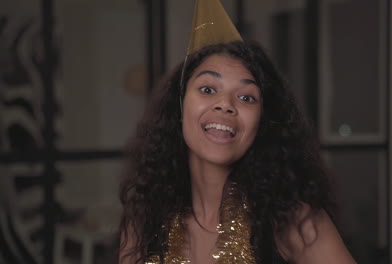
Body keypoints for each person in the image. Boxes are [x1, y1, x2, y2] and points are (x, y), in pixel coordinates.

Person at [119, 1, 356, 264]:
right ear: (180, 105)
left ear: (262, 121)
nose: (226, 105)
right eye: (208, 89)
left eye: (246, 97)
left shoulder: (294, 222)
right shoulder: (144, 220)